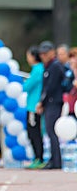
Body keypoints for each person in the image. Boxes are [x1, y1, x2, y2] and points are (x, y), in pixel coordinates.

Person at [36, 41, 64, 170]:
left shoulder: (55, 66)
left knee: (52, 131)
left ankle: (56, 161)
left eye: (45, 53)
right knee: (49, 131)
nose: (43, 56)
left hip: (54, 101)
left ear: (52, 52)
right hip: (50, 102)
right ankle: (53, 158)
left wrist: (42, 101)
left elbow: (51, 87)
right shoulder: (47, 66)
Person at [23, 45, 45, 169]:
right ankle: (38, 157)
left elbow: (27, 86)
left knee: (34, 133)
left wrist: (24, 83)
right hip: (34, 104)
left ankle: (38, 157)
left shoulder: (37, 69)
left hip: (33, 106)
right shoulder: (39, 69)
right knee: (35, 132)